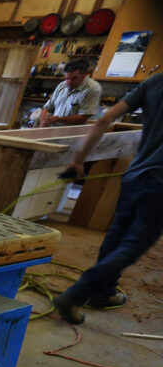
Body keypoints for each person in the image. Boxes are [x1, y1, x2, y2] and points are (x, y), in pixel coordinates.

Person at [52, 73, 163, 324]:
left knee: (117, 234)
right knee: (133, 244)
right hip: (158, 185)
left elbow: (104, 119)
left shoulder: (154, 82)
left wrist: (79, 160)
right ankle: (76, 295)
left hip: (135, 175)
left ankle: (103, 292)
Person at [34, 58, 102, 127]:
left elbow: (83, 118)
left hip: (71, 133)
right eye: (67, 78)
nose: (69, 82)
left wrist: (58, 119)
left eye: (74, 78)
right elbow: (47, 107)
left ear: (84, 75)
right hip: (54, 130)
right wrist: (43, 119)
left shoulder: (92, 88)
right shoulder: (62, 85)